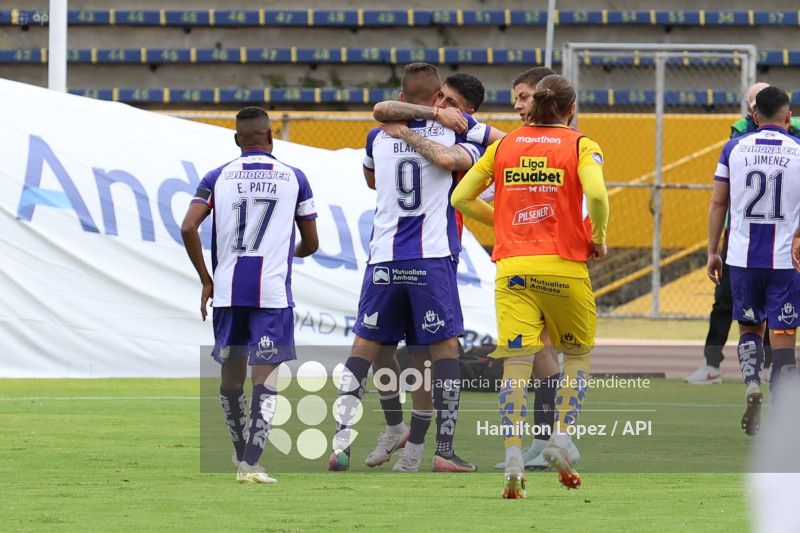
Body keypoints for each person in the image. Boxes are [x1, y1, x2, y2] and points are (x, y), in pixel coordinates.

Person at [452, 74, 609, 497]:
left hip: (513, 269)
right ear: (570, 109)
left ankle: (514, 453)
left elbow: (461, 199)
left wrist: (502, 223)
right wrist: (597, 237)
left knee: (517, 362)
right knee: (576, 355)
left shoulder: (504, 146)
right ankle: (560, 438)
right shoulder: (580, 144)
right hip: (564, 267)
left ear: (534, 104)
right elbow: (596, 195)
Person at [328, 63, 485, 474]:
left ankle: (342, 441)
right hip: (431, 257)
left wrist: (401, 135)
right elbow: (453, 162)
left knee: (368, 346)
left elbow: (372, 180)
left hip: (382, 257)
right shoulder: (459, 133)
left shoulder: (377, 134)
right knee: (437, 352)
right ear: (437, 99)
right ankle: (433, 449)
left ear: (401, 94)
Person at [181, 106, 319, 483]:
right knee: (266, 379)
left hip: (226, 293)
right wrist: (283, 251)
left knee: (230, 379)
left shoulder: (216, 177)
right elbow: (311, 243)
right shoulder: (295, 179)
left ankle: (243, 453)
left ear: (237, 139)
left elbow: (188, 227)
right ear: (272, 137)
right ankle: (251, 464)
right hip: (271, 294)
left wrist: (206, 280)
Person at [708, 85, 800, 436]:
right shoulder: (798, 150)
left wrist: (713, 251)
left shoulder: (733, 148)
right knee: (783, 335)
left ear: (754, 115)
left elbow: (719, 204)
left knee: (749, 329)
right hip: (785, 261)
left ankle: (751, 382)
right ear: (788, 116)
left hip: (742, 258)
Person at [687, 82, 787, 385]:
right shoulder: (742, 135)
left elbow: (718, 198)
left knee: (760, 312)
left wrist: (712, 249)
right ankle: (713, 364)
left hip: (761, 237)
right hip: (756, 234)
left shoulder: (742, 142)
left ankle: (763, 371)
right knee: (727, 300)